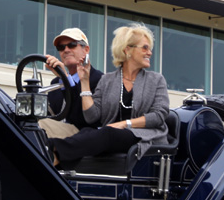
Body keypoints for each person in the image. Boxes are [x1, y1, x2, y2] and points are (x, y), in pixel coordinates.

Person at [49, 24, 169, 169]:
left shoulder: (156, 80)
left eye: (149, 48)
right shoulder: (107, 80)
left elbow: (159, 115)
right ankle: (55, 160)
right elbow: (92, 117)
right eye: (144, 47)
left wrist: (125, 124)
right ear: (127, 50)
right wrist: (85, 82)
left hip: (144, 136)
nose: (149, 53)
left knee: (107, 133)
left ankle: (51, 148)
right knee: (88, 131)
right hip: (113, 135)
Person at [37, 28, 104, 139]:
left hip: (84, 137)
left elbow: (85, 120)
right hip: (56, 137)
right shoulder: (56, 82)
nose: (66, 50)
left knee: (40, 126)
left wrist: (65, 78)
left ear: (86, 49)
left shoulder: (100, 80)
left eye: (72, 45)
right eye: (61, 47)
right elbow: (50, 115)